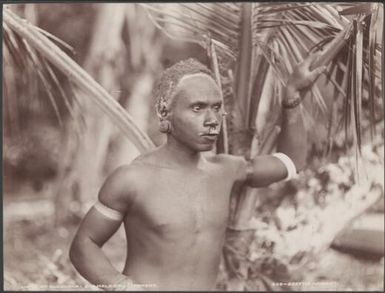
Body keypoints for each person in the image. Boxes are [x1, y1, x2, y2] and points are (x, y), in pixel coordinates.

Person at [69, 55, 326, 291]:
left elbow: (291, 161)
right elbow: (84, 245)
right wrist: (124, 286)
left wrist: (291, 98)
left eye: (216, 108)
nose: (212, 120)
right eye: (198, 108)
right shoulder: (132, 179)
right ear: (164, 112)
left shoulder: (227, 170)